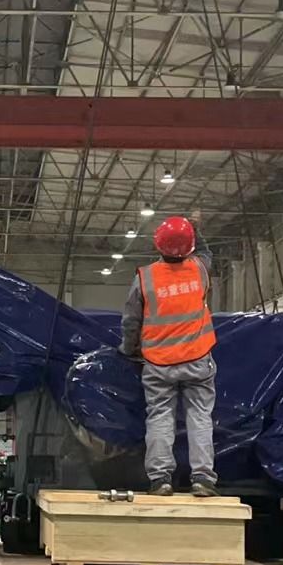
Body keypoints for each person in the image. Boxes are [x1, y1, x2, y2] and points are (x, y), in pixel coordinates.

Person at [120, 213, 219, 497]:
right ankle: (203, 479)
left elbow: (131, 321)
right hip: (197, 359)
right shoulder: (200, 270)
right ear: (190, 247)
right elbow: (205, 252)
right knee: (200, 416)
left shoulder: (145, 278)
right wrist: (195, 228)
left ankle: (160, 479)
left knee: (160, 417)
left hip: (158, 363)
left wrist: (128, 349)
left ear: (158, 244)